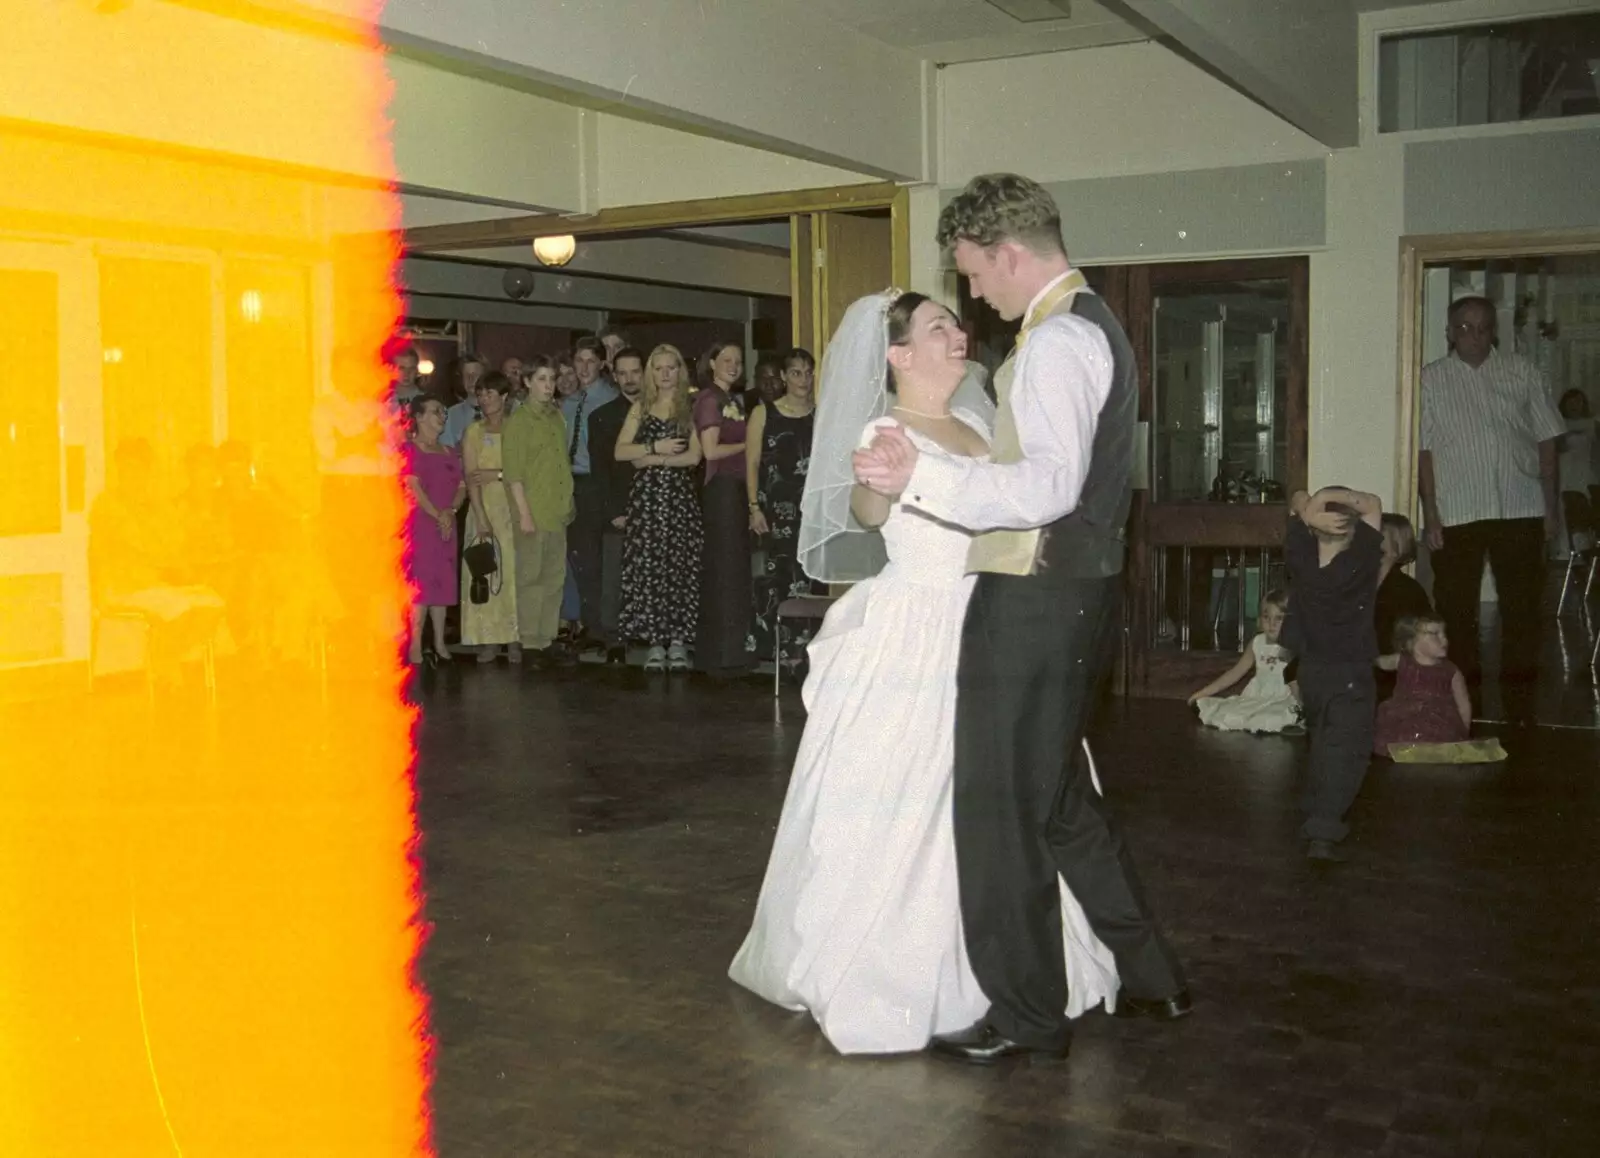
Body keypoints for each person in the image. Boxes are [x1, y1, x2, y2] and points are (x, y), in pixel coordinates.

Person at [729, 290, 1119, 1056]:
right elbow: (872, 511)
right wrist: (877, 479)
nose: (955, 331)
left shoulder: (978, 425)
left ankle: (1017, 965)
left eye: (954, 321)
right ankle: (911, 974)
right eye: (937, 325)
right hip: (918, 632)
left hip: (996, 625)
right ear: (900, 356)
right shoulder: (884, 427)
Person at [853, 175, 1187, 1064]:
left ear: (1007, 253)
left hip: (1036, 597)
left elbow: (1045, 487)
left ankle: (1029, 1014)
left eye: (971, 273)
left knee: (999, 808)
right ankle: (1151, 972)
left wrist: (914, 478)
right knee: (1059, 801)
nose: (974, 297)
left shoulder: (1057, 342)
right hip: (1072, 594)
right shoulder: (1086, 325)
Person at [1418, 295, 1564, 720]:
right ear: (1449, 332)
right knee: (1457, 609)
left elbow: (1547, 441)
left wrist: (1550, 509)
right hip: (1457, 510)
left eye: (1482, 328)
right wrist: (1430, 513)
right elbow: (1423, 452)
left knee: (1522, 608)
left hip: (1520, 507)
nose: (1474, 336)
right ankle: (1467, 698)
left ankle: (1521, 702)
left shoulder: (1522, 372)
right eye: (1464, 328)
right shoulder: (1430, 380)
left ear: (1493, 331)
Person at [1283, 486, 1383, 861]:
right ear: (1352, 529)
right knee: (1347, 748)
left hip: (1310, 672)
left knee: (1323, 740)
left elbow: (1296, 496)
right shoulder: (1359, 561)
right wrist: (1328, 496)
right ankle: (1323, 829)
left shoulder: (1301, 556)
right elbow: (1372, 503)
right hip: (1350, 673)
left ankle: (1318, 810)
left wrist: (1307, 510)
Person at [616, 345, 703, 672]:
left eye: (671, 367)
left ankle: (678, 641)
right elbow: (621, 452)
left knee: (679, 568)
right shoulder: (640, 407)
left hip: (679, 500)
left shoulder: (690, 407)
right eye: (658, 368)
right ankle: (655, 642)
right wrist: (655, 446)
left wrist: (653, 458)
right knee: (649, 570)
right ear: (650, 372)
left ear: (680, 371)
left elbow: (694, 456)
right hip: (648, 501)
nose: (665, 374)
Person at [745, 347, 824, 677]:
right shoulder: (764, 413)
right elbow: (750, 462)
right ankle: (776, 652)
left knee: (808, 580)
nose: (803, 379)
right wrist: (753, 507)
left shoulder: (821, 414)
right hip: (774, 512)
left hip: (811, 513)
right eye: (796, 372)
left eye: (808, 372)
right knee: (774, 581)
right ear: (783, 377)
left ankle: (804, 653)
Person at [501, 357, 574, 668]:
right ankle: (530, 642)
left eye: (552, 379)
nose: (548, 385)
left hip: (557, 510)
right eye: (542, 379)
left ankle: (547, 638)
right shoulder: (519, 422)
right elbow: (513, 473)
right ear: (527, 382)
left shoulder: (556, 417)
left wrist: (568, 502)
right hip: (533, 510)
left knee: (554, 577)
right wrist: (524, 514)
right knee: (531, 577)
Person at [693, 340, 754, 680]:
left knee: (732, 570)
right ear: (712, 362)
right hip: (721, 491)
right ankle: (721, 655)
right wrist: (752, 442)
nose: (733, 365)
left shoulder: (732, 400)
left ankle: (730, 652)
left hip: (736, 490)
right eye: (726, 359)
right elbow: (711, 451)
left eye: (738, 361)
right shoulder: (709, 399)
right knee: (724, 570)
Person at [588, 346, 647, 665]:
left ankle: (645, 631)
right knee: (614, 576)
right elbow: (599, 472)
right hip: (620, 508)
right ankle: (613, 639)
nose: (629, 379)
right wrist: (614, 511)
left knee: (648, 575)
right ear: (614, 376)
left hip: (655, 505)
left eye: (634, 371)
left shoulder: (663, 411)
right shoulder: (602, 417)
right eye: (622, 373)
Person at [562, 336, 620, 653]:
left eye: (590, 361)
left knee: (605, 560)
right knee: (582, 559)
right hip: (575, 485)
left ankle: (608, 628)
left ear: (601, 364)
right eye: (579, 361)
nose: (584, 368)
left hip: (601, 484)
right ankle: (591, 625)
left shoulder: (611, 400)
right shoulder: (568, 404)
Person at [459, 372, 521, 662]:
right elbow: (471, 477)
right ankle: (487, 639)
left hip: (513, 506)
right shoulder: (473, 432)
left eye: (491, 394)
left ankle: (515, 637)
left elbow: (527, 471)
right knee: (485, 569)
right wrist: (480, 517)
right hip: (484, 507)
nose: (485, 400)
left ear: (504, 396)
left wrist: (497, 474)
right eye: (481, 394)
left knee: (513, 572)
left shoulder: (517, 429)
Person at [401, 395, 465, 667]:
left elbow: (462, 486)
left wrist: (450, 511)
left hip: (446, 523)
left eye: (443, 411)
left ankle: (439, 641)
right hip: (422, 524)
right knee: (421, 583)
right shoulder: (410, 450)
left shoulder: (450, 451)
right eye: (436, 411)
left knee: (443, 580)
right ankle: (416, 642)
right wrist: (437, 513)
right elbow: (413, 488)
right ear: (420, 417)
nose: (442, 416)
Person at [1187, 590, 1301, 734]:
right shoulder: (1257, 643)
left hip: (1282, 696)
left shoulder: (1289, 646)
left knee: (1273, 716)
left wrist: (1302, 703)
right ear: (1260, 619)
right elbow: (1235, 672)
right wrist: (1204, 692)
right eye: (1267, 617)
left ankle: (1292, 719)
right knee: (1232, 711)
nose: (1271, 624)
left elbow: (1294, 679)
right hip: (1257, 696)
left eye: (1279, 618)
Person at [1373, 613, 1471, 758]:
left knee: (1433, 733)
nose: (1444, 639)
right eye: (1435, 634)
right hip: (1403, 714)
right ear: (1411, 641)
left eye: (1444, 633)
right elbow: (1379, 662)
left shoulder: (1451, 671)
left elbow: (1463, 703)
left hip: (1439, 720)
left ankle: (1425, 749)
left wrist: (1464, 731)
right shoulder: (1402, 661)